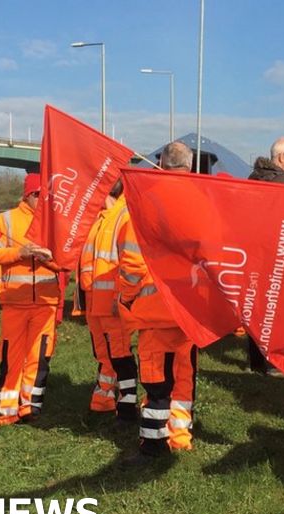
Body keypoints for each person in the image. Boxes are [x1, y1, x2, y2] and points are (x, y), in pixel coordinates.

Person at [119, 141, 201, 460]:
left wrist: (126, 299)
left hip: (154, 312)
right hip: (190, 311)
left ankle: (153, 445)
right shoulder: (202, 201)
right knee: (183, 376)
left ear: (161, 165)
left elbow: (132, 262)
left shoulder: (146, 204)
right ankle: (180, 435)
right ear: (190, 167)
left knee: (157, 383)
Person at [0, 173, 62, 426]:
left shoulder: (53, 223)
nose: (43, 201)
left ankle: (30, 407)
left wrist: (46, 259)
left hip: (45, 302)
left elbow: (64, 264)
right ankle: (7, 410)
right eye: (39, 196)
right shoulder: (5, 220)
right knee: (11, 356)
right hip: (15, 302)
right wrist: (19, 252)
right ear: (29, 195)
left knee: (39, 357)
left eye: (46, 197)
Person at [79, 181, 139, 420]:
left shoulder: (125, 215)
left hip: (113, 303)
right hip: (94, 302)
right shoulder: (100, 218)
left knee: (121, 354)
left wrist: (122, 296)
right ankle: (104, 400)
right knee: (103, 354)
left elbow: (131, 261)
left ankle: (127, 406)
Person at [244, 136, 284, 375]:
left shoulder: (253, 178)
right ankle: (273, 362)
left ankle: (256, 361)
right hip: (277, 252)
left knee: (254, 307)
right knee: (275, 308)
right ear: (281, 157)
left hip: (255, 252)